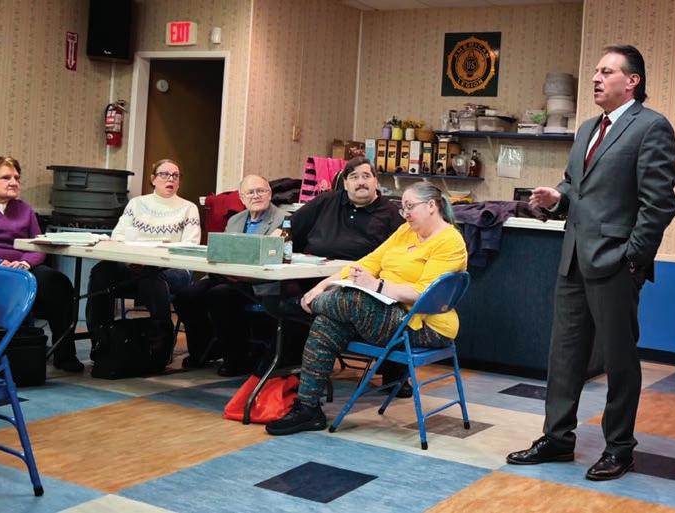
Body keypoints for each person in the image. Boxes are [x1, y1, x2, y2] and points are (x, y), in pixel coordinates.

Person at [506, 45, 675, 481]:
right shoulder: (586, 129)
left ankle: (619, 448)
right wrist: (557, 197)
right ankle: (557, 439)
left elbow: (659, 204)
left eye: (606, 71)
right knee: (564, 356)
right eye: (596, 71)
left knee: (619, 361)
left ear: (632, 81)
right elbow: (576, 187)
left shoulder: (651, 127)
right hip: (573, 260)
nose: (596, 78)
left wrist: (632, 259)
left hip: (616, 264)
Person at [265, 182, 468, 435]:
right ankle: (308, 409)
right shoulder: (406, 231)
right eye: (403, 208)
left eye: (410, 207)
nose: (405, 214)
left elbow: (424, 295)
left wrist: (377, 286)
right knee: (327, 323)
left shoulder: (450, 242)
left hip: (424, 325)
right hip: (389, 314)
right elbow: (369, 262)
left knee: (353, 300)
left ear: (431, 206)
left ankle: (297, 307)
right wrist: (322, 285)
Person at [260, 156, 409, 392]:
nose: (361, 182)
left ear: (376, 181)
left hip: (360, 284)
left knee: (307, 307)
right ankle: (285, 369)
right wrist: (267, 246)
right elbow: (289, 226)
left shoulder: (390, 213)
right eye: (354, 177)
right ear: (345, 183)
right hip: (312, 277)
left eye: (366, 176)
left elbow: (404, 256)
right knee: (275, 295)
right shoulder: (326, 201)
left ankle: (391, 375)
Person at [173, 175, 287, 375]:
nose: (256, 196)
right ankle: (204, 349)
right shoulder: (235, 220)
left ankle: (237, 358)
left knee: (220, 295)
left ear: (270, 194)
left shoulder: (283, 220)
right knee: (186, 295)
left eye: (261, 191)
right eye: (250, 192)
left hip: (258, 281)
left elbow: (274, 255)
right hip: (228, 276)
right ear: (242, 198)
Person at [85, 159, 201, 355]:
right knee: (101, 271)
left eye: (175, 175)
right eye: (164, 174)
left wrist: (153, 261)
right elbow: (118, 236)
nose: (170, 179)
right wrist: (132, 261)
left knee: (152, 279)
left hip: (172, 269)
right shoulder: (136, 204)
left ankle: (161, 346)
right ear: (153, 179)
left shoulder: (188, 208)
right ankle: (101, 339)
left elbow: (190, 245)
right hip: (133, 265)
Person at [0, 156, 83, 372]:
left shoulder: (25, 210)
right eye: (6, 177)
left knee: (59, 283)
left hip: (23, 267)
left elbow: (38, 246)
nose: (13, 182)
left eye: (17, 178)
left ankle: (64, 354)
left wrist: (25, 263)